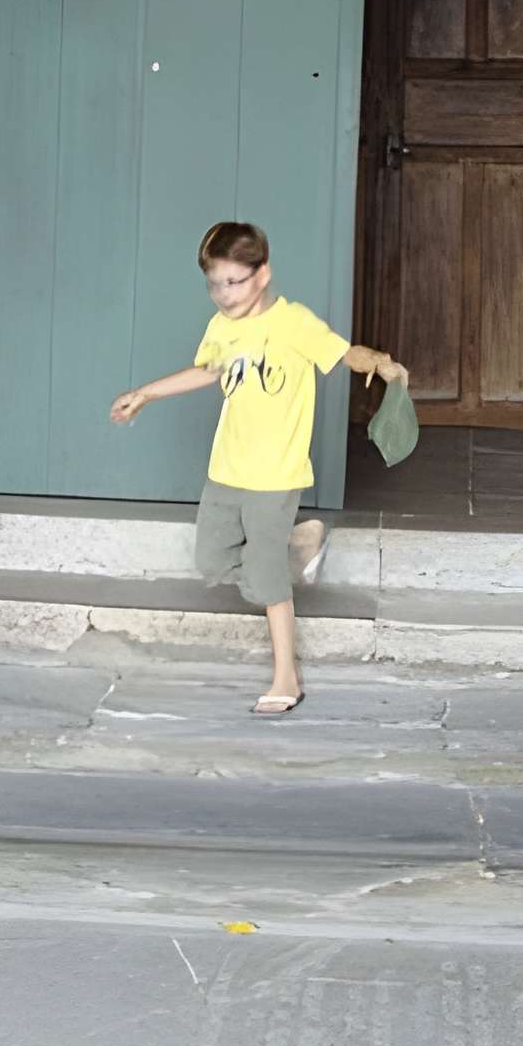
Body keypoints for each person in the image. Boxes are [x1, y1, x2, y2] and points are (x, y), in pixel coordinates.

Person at [108, 220, 408, 715]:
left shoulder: (292, 323)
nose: (223, 294)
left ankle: (286, 677)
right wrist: (145, 393)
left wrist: (382, 363)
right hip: (227, 467)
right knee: (212, 561)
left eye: (235, 281)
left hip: (276, 473)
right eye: (215, 283)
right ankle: (300, 541)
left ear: (262, 274)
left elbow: (342, 352)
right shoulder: (222, 328)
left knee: (267, 582)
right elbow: (208, 371)